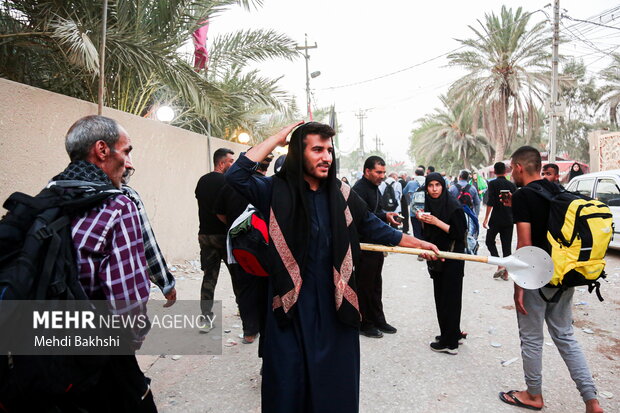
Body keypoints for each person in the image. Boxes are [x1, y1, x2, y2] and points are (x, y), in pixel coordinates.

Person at [225, 121, 439, 413]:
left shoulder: (342, 195)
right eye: (317, 149)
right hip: (290, 308)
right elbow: (237, 175)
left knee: (334, 390)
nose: (326, 156)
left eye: (329, 149)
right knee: (287, 388)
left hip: (335, 308)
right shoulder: (275, 191)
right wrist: (279, 138)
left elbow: (374, 228)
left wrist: (417, 243)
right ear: (299, 153)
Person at [53, 115, 156, 411]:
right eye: (126, 151)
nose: (130, 162)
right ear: (101, 150)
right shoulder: (118, 207)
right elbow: (127, 305)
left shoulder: (48, 196)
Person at [498, 146, 603, 413]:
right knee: (566, 336)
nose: (512, 173)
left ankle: (533, 395)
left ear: (520, 167)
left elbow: (524, 245)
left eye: (512, 168)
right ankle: (592, 401)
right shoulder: (558, 190)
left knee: (532, 338)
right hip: (565, 274)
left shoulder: (522, 196)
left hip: (537, 276)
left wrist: (518, 287)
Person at [215, 153, 274, 344]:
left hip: (238, 247)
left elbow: (220, 214)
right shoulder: (266, 185)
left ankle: (249, 331)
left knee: (244, 287)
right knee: (265, 290)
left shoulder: (228, 185)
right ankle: (266, 333)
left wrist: (236, 226)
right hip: (263, 247)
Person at [416, 173, 467, 355]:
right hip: (437, 259)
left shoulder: (452, 205)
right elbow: (427, 235)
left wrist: (437, 222)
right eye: (431, 185)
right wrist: (423, 221)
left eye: (438, 185)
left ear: (444, 186)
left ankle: (450, 343)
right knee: (443, 297)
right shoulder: (429, 205)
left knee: (449, 299)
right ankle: (450, 332)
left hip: (452, 259)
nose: (434, 189)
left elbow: (459, 233)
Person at [353, 157, 402, 338]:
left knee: (375, 284)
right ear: (367, 171)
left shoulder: (374, 189)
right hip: (365, 247)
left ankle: (378, 319)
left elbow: (376, 213)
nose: (382, 176)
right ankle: (365, 323)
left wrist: (386, 215)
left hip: (375, 245)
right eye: (378, 172)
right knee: (365, 286)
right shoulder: (358, 190)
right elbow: (364, 219)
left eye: (383, 172)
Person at [122, 167, 177, 307]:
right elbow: (147, 244)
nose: (130, 165)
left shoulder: (60, 190)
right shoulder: (126, 195)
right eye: (125, 154)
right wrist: (166, 283)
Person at [195, 148, 235, 322]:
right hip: (223, 237)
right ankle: (246, 314)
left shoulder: (202, 181)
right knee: (238, 276)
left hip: (205, 235)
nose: (232, 164)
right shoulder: (227, 181)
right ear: (221, 163)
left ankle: (205, 317)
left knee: (209, 277)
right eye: (230, 161)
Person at [482, 162, 517, 280]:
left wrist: (486, 218)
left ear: (495, 171)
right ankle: (505, 273)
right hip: (509, 219)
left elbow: (490, 201)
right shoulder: (511, 185)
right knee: (507, 246)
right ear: (505, 171)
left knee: (489, 241)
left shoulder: (493, 184)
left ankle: (499, 264)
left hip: (496, 219)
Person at [403, 167, 426, 238]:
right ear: (423, 174)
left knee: (417, 232)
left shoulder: (411, 183)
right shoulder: (428, 182)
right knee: (426, 232)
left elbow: (404, 192)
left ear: (415, 174)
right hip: (426, 210)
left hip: (414, 211)